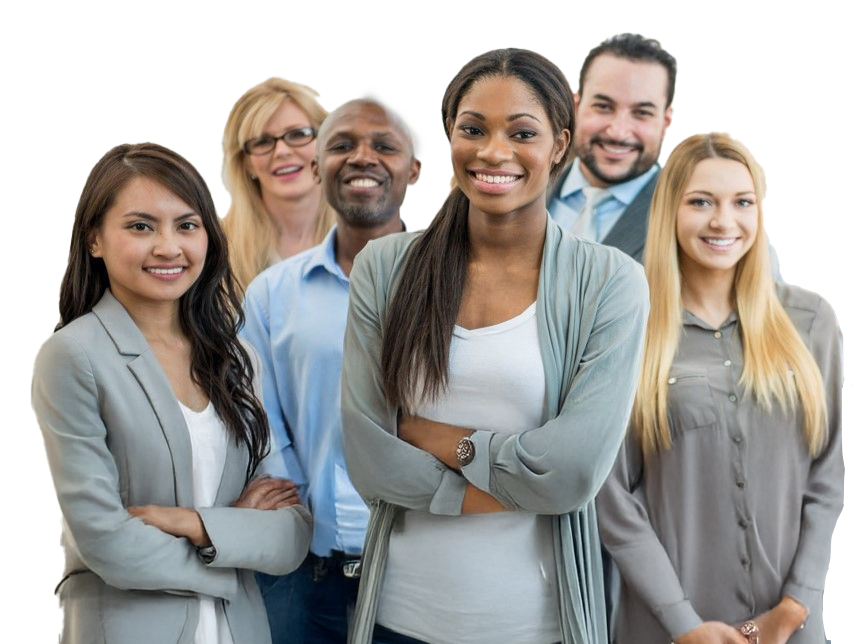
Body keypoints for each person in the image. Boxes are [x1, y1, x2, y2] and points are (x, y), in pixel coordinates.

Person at [341, 48, 649, 644]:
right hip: (399, 617)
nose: (493, 152)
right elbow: (370, 462)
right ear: (449, 135)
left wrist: (434, 436)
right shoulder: (385, 268)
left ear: (560, 145)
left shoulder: (609, 282)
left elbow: (573, 474)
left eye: (522, 132)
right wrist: (524, 473)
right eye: (472, 129)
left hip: (537, 625)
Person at [31, 142, 312, 644]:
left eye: (187, 225)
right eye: (141, 226)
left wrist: (194, 524)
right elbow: (106, 541)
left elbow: (291, 534)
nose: (168, 247)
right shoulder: (74, 356)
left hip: (238, 631)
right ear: (94, 239)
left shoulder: (237, 358)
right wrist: (234, 538)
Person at [596, 132, 844, 644]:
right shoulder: (629, 329)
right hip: (668, 630)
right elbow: (611, 496)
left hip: (796, 625)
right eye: (701, 202)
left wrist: (792, 609)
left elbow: (835, 477)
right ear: (670, 210)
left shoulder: (811, 321)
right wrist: (684, 624)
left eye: (742, 202)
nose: (723, 221)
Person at [241, 87, 424, 644]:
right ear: (318, 166)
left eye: (383, 145)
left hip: (419, 570)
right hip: (304, 570)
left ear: (414, 169)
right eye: (342, 144)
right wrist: (296, 497)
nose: (362, 157)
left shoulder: (451, 286)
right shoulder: (273, 293)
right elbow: (259, 415)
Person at [548, 32, 676, 262]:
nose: (618, 131)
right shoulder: (526, 191)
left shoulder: (684, 215)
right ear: (576, 106)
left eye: (642, 113)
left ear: (666, 122)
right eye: (604, 107)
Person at [221, 76, 336, 291]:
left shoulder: (367, 240)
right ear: (246, 163)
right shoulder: (215, 249)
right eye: (262, 142)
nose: (282, 151)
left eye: (298, 134)